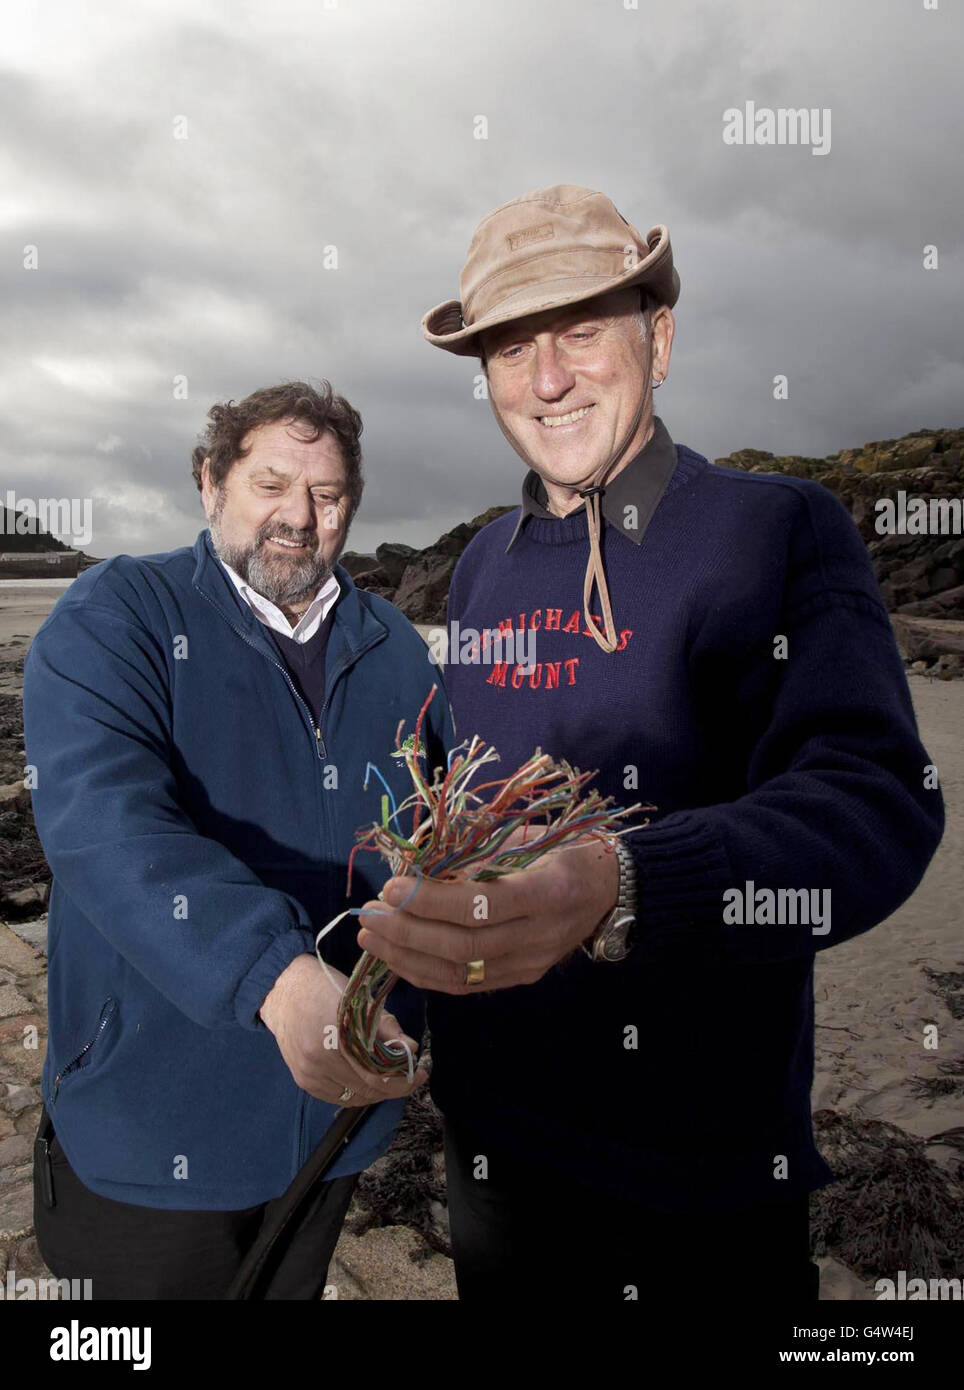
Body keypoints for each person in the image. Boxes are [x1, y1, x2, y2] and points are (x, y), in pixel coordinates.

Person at [356, 185, 946, 1302]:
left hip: (699, 1175)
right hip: (488, 1149)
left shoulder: (777, 527)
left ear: (659, 338)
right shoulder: (481, 564)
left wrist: (620, 883)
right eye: (510, 347)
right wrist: (392, 983)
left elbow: (876, 801)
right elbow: (443, 788)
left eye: (582, 329)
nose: (548, 378)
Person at [24, 379, 451, 1299]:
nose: (299, 516)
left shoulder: (400, 649)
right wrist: (274, 976)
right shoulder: (116, 615)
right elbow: (101, 820)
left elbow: (442, 825)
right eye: (269, 484)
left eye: (327, 495)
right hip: (148, 1127)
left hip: (335, 1133)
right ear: (209, 482)